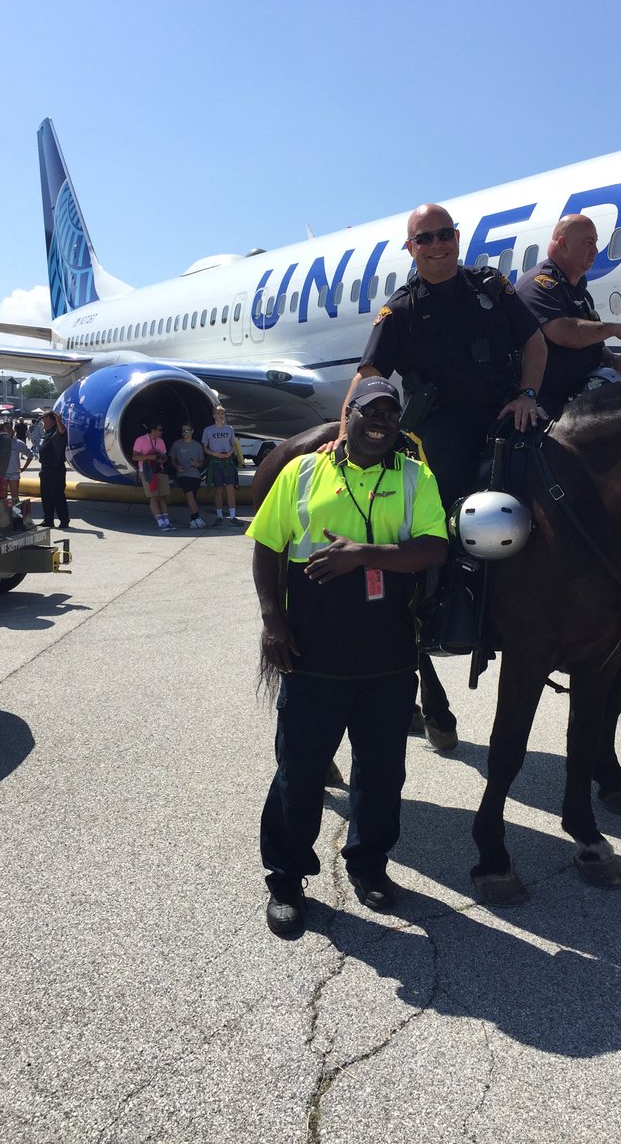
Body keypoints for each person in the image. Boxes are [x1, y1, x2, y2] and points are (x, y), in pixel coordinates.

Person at [248, 377, 448, 936]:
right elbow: (267, 546)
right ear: (349, 415)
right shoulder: (303, 471)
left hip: (387, 658)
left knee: (382, 774)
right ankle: (286, 878)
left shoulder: (415, 477)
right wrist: (271, 620)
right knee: (300, 774)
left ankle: (370, 866)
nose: (380, 420)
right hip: (313, 653)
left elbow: (435, 547)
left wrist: (366, 555)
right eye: (370, 410)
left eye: (390, 412)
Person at [333, 203, 548, 515]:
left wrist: (528, 395)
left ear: (457, 238)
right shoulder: (402, 310)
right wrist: (343, 431)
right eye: (424, 239)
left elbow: (535, 341)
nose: (437, 245)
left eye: (445, 235)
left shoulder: (491, 286)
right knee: (444, 498)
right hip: (444, 423)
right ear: (410, 248)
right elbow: (369, 374)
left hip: (507, 409)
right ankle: (438, 560)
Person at [515, 214, 621, 419]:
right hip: (547, 401)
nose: (595, 250)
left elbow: (591, 342)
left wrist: (614, 361)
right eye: (588, 243)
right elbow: (564, 332)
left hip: (577, 395)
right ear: (563, 244)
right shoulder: (539, 284)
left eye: (595, 243)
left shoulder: (578, 291)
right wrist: (614, 329)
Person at [201, 405, 241, 526]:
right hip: (216, 461)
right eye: (218, 414)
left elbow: (233, 444)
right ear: (214, 416)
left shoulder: (229, 429)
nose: (220, 416)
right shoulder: (208, 430)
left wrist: (229, 453)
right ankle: (219, 517)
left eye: (222, 414)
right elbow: (205, 447)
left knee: (231, 489)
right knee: (218, 489)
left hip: (227, 460)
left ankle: (233, 516)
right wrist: (215, 454)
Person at [132, 422, 174, 530]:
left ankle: (166, 520)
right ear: (152, 430)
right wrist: (149, 457)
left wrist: (161, 459)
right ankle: (160, 522)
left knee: (162, 496)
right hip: (147, 471)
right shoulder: (140, 440)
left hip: (159, 470)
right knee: (153, 496)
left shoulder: (161, 441)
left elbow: (165, 457)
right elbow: (135, 457)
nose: (161, 432)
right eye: (159, 430)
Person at [168, 422, 207, 528]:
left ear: (192, 431)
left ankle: (193, 520)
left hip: (195, 475)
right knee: (189, 494)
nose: (184, 433)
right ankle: (197, 518)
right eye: (183, 431)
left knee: (192, 497)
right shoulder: (177, 444)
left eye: (186, 430)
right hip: (183, 474)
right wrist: (177, 467)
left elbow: (201, 462)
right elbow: (172, 458)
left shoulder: (197, 445)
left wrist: (196, 464)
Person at [38, 410, 70, 529]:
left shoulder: (57, 431)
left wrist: (59, 420)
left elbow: (62, 431)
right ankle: (48, 520)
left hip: (56, 469)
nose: (42, 421)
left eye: (44, 418)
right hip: (45, 470)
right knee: (46, 496)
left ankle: (64, 520)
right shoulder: (47, 433)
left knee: (58, 496)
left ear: (51, 420)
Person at [0, 420, 33, 500]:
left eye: (11, 428)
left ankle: (16, 511)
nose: (11, 430)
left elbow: (30, 455)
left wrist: (24, 468)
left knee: (15, 496)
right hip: (2, 474)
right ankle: (4, 511)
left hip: (14, 473)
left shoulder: (18, 443)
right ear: (2, 431)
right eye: (7, 428)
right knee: (2, 497)